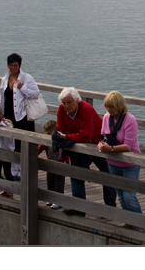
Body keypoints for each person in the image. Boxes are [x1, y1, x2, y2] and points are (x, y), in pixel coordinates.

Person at [56, 87, 116, 216]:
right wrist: (69, 136)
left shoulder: (86, 109)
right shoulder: (61, 109)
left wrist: (68, 136)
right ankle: (79, 208)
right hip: (78, 147)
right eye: (64, 103)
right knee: (77, 175)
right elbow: (59, 129)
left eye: (69, 102)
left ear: (77, 100)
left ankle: (110, 208)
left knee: (107, 175)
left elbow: (86, 135)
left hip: (98, 144)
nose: (66, 105)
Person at [98, 91, 143, 227]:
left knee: (129, 196)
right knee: (121, 196)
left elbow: (128, 146)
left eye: (111, 106)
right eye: (107, 106)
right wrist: (101, 145)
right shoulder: (106, 118)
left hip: (129, 164)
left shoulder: (130, 120)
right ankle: (129, 222)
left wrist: (110, 149)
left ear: (119, 105)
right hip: (113, 162)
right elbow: (102, 136)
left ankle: (139, 224)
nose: (109, 109)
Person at [0, 53, 40, 179]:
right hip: (9, 116)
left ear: (19, 65)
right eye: (10, 65)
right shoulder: (5, 79)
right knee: (12, 144)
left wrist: (23, 88)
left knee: (24, 144)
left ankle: (24, 170)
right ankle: (14, 170)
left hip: (23, 117)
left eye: (15, 65)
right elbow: (2, 96)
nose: (12, 68)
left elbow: (35, 93)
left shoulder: (26, 78)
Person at [37, 120, 70, 209]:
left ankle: (58, 201)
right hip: (50, 165)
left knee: (59, 184)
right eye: (48, 134)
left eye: (51, 134)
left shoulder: (60, 141)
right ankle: (50, 198)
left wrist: (67, 163)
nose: (50, 136)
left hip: (60, 165)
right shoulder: (46, 142)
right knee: (50, 182)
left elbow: (65, 153)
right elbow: (39, 148)